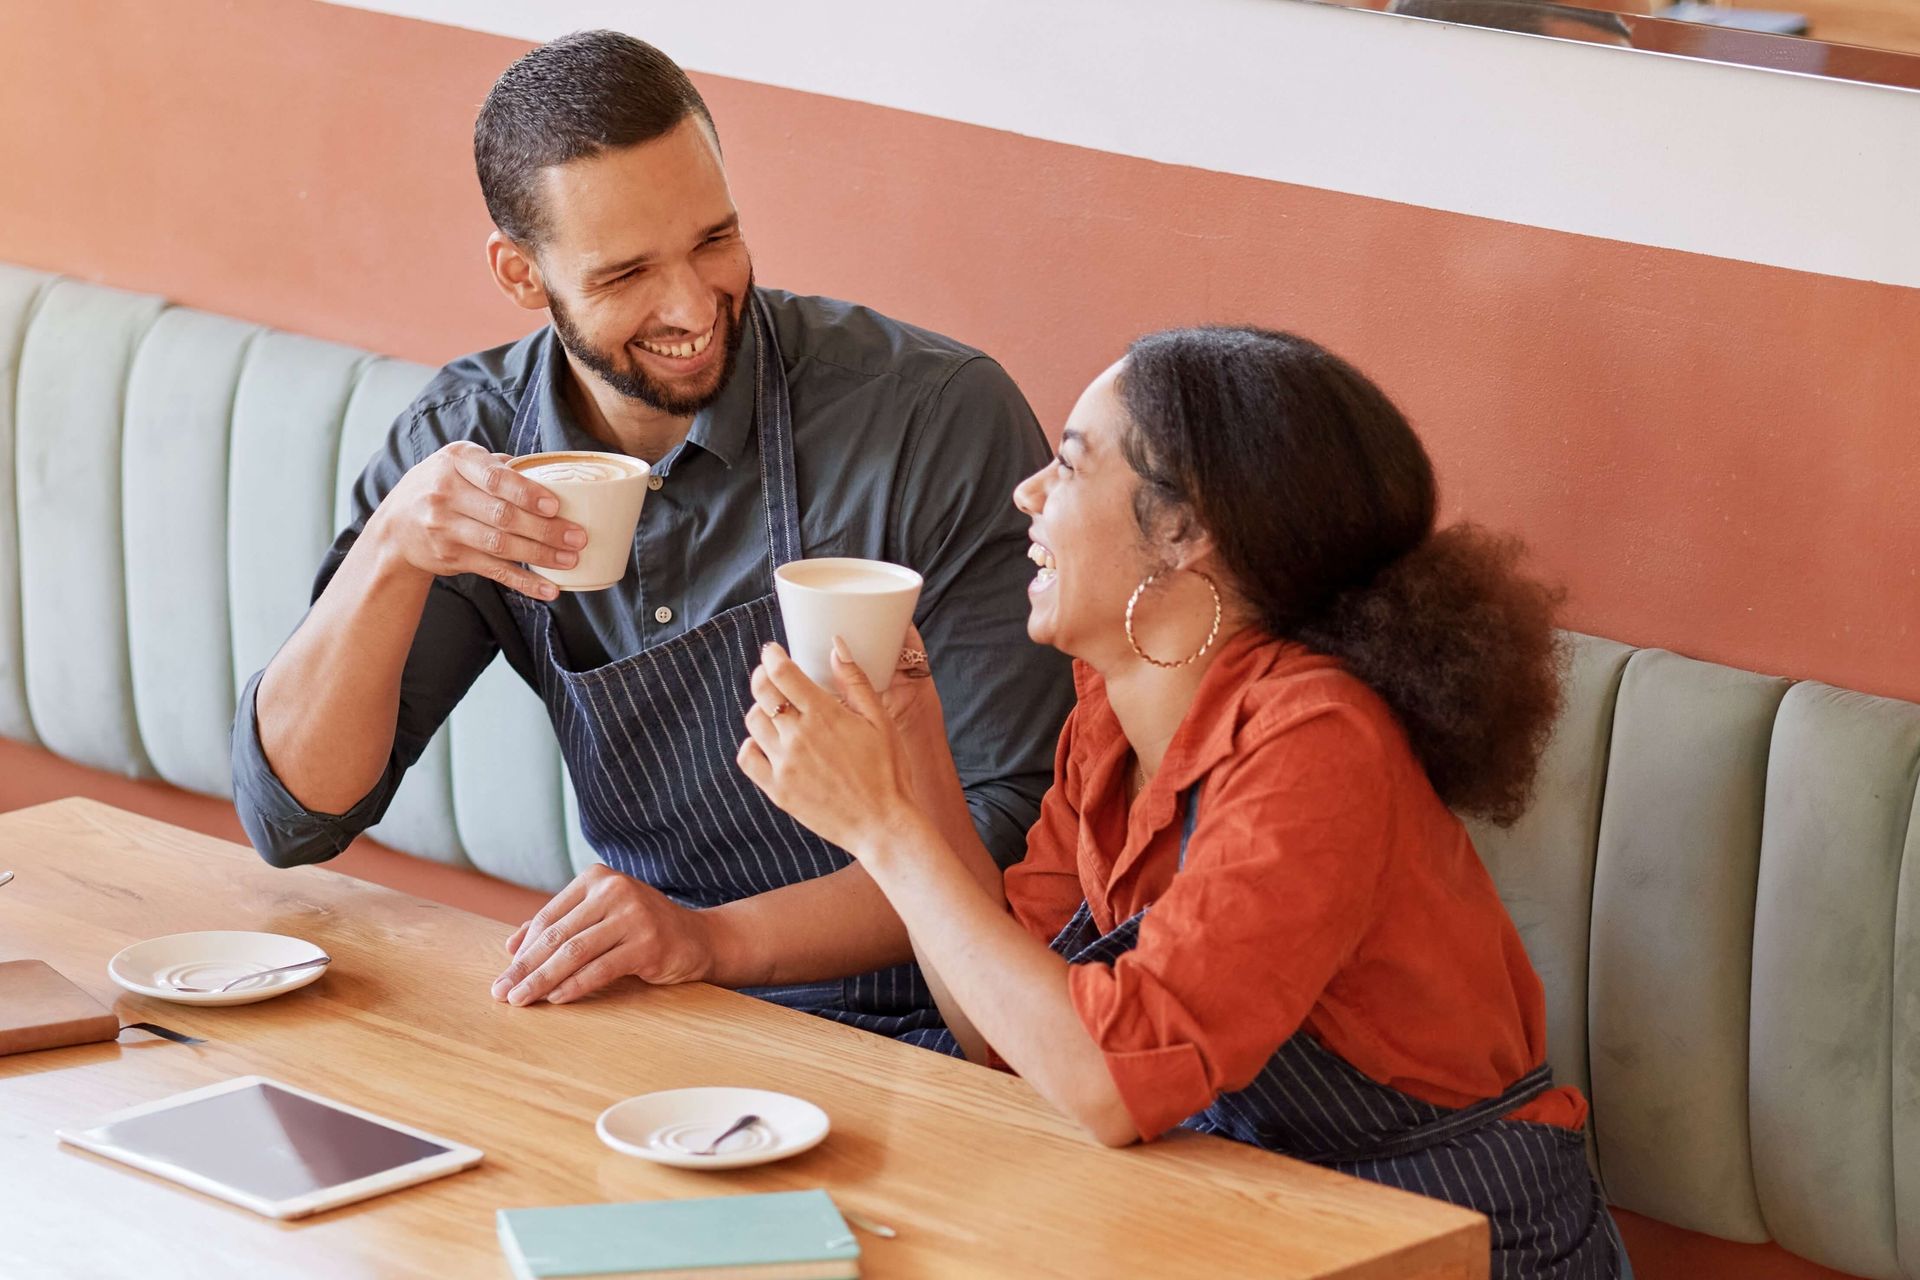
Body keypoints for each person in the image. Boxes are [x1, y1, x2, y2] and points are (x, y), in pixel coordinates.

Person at [229, 31, 1072, 1046]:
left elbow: (1005, 844)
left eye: (714, 240)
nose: (692, 305)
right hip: (663, 1021)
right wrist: (392, 552)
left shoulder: (932, 418)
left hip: (940, 1035)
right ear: (519, 273)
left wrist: (707, 938)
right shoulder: (477, 440)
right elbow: (295, 816)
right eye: (628, 271)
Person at [740, 326, 1626, 1276]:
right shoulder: (1108, 717)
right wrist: (909, 744)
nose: (1027, 495)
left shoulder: (1318, 743)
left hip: (1441, 1240)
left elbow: (1109, 1083)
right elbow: (1006, 1039)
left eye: (1069, 468)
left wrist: (880, 824)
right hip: (1240, 1212)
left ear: (1186, 531)